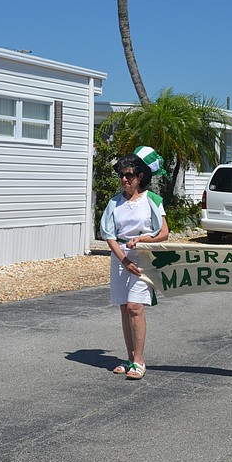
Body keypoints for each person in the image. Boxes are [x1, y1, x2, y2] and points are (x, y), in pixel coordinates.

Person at [99, 146, 169, 380]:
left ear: (140, 177)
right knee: (123, 308)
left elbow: (164, 233)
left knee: (135, 307)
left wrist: (142, 240)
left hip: (142, 258)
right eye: (121, 175)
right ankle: (130, 358)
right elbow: (108, 234)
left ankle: (139, 360)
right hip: (121, 258)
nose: (124, 179)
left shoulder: (152, 200)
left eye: (129, 175)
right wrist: (123, 259)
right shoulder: (114, 202)